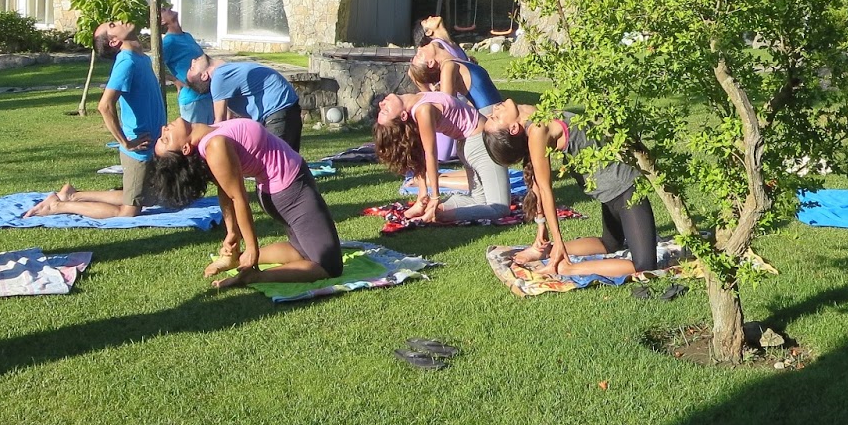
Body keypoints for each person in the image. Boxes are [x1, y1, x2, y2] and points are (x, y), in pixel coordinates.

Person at [148, 117, 342, 287]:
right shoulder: (215, 146)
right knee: (330, 266)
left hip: (286, 188)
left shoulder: (210, 134)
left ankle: (237, 260)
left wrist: (232, 234)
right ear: (185, 148)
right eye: (166, 139)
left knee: (302, 250)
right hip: (291, 192)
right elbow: (236, 197)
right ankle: (253, 276)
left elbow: (224, 190)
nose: (165, 128)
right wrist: (251, 247)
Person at [482, 98, 655, 280]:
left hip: (610, 188)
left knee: (611, 244)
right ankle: (566, 267)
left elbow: (535, 179)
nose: (493, 110)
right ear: (513, 129)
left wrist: (542, 230)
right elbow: (544, 189)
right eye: (495, 118)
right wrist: (557, 241)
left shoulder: (538, 114)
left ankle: (547, 251)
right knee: (645, 265)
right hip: (624, 189)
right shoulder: (538, 130)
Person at [22, 21, 164, 219]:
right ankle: (57, 206)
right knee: (128, 212)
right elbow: (104, 106)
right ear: (114, 41)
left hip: (152, 143)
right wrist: (126, 143)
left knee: (147, 198)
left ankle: (72, 196)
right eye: (112, 25)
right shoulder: (126, 62)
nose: (120, 21)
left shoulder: (140, 58)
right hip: (139, 147)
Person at [373, 91, 512, 223]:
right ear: (403, 116)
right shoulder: (423, 110)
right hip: (480, 143)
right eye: (385, 111)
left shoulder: (417, 101)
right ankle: (440, 215)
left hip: (470, 143)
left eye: (383, 109)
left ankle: (436, 210)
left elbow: (419, 151)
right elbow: (429, 154)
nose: (381, 104)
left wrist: (422, 197)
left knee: (479, 200)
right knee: (500, 208)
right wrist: (434, 196)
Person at [185, 55, 301, 150]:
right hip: (282, 109)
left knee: (280, 163)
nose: (193, 60)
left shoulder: (222, 73)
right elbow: (222, 120)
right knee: (286, 163)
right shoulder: (219, 77)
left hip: (279, 109)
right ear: (204, 76)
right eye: (192, 68)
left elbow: (220, 121)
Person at [159, 8, 211, 123]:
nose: (168, 8)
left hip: (208, 94)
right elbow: (153, 66)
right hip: (192, 99)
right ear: (162, 21)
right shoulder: (168, 42)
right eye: (163, 10)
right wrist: (176, 81)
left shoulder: (187, 36)